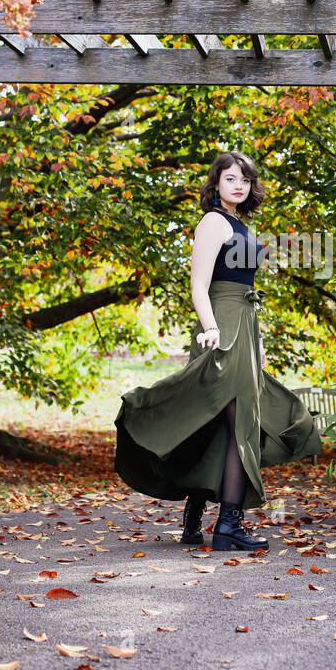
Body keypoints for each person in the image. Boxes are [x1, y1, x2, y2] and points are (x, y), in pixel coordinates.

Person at [113, 151, 323, 552]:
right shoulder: (212, 222)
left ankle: (196, 518)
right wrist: (211, 328)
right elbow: (199, 285)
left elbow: (249, 292)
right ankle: (227, 525)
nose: (238, 185)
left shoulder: (241, 224)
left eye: (244, 179)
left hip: (244, 324)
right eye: (230, 179)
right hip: (221, 324)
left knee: (221, 424)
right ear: (216, 184)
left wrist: (258, 345)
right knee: (236, 421)